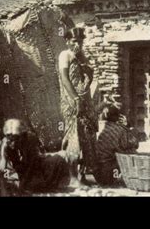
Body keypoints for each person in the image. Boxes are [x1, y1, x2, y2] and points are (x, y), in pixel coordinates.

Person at [58, 27, 98, 186]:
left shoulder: (82, 57)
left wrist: (86, 66)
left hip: (85, 100)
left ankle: (82, 175)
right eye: (75, 41)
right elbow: (64, 78)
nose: (78, 44)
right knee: (73, 137)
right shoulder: (65, 55)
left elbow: (89, 78)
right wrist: (75, 98)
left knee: (87, 136)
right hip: (71, 101)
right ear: (67, 41)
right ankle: (72, 176)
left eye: (80, 41)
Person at [0, 119, 70, 193]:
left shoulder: (30, 138)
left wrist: (22, 184)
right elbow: (9, 166)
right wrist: (3, 155)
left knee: (56, 162)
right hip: (25, 167)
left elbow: (32, 163)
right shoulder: (6, 143)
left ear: (22, 135)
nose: (12, 142)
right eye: (9, 137)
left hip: (36, 165)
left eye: (15, 138)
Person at [94, 104, 139, 187]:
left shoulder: (104, 129)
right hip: (110, 173)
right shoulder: (120, 129)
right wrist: (129, 127)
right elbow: (135, 144)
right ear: (118, 117)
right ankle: (127, 178)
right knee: (132, 152)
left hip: (99, 175)